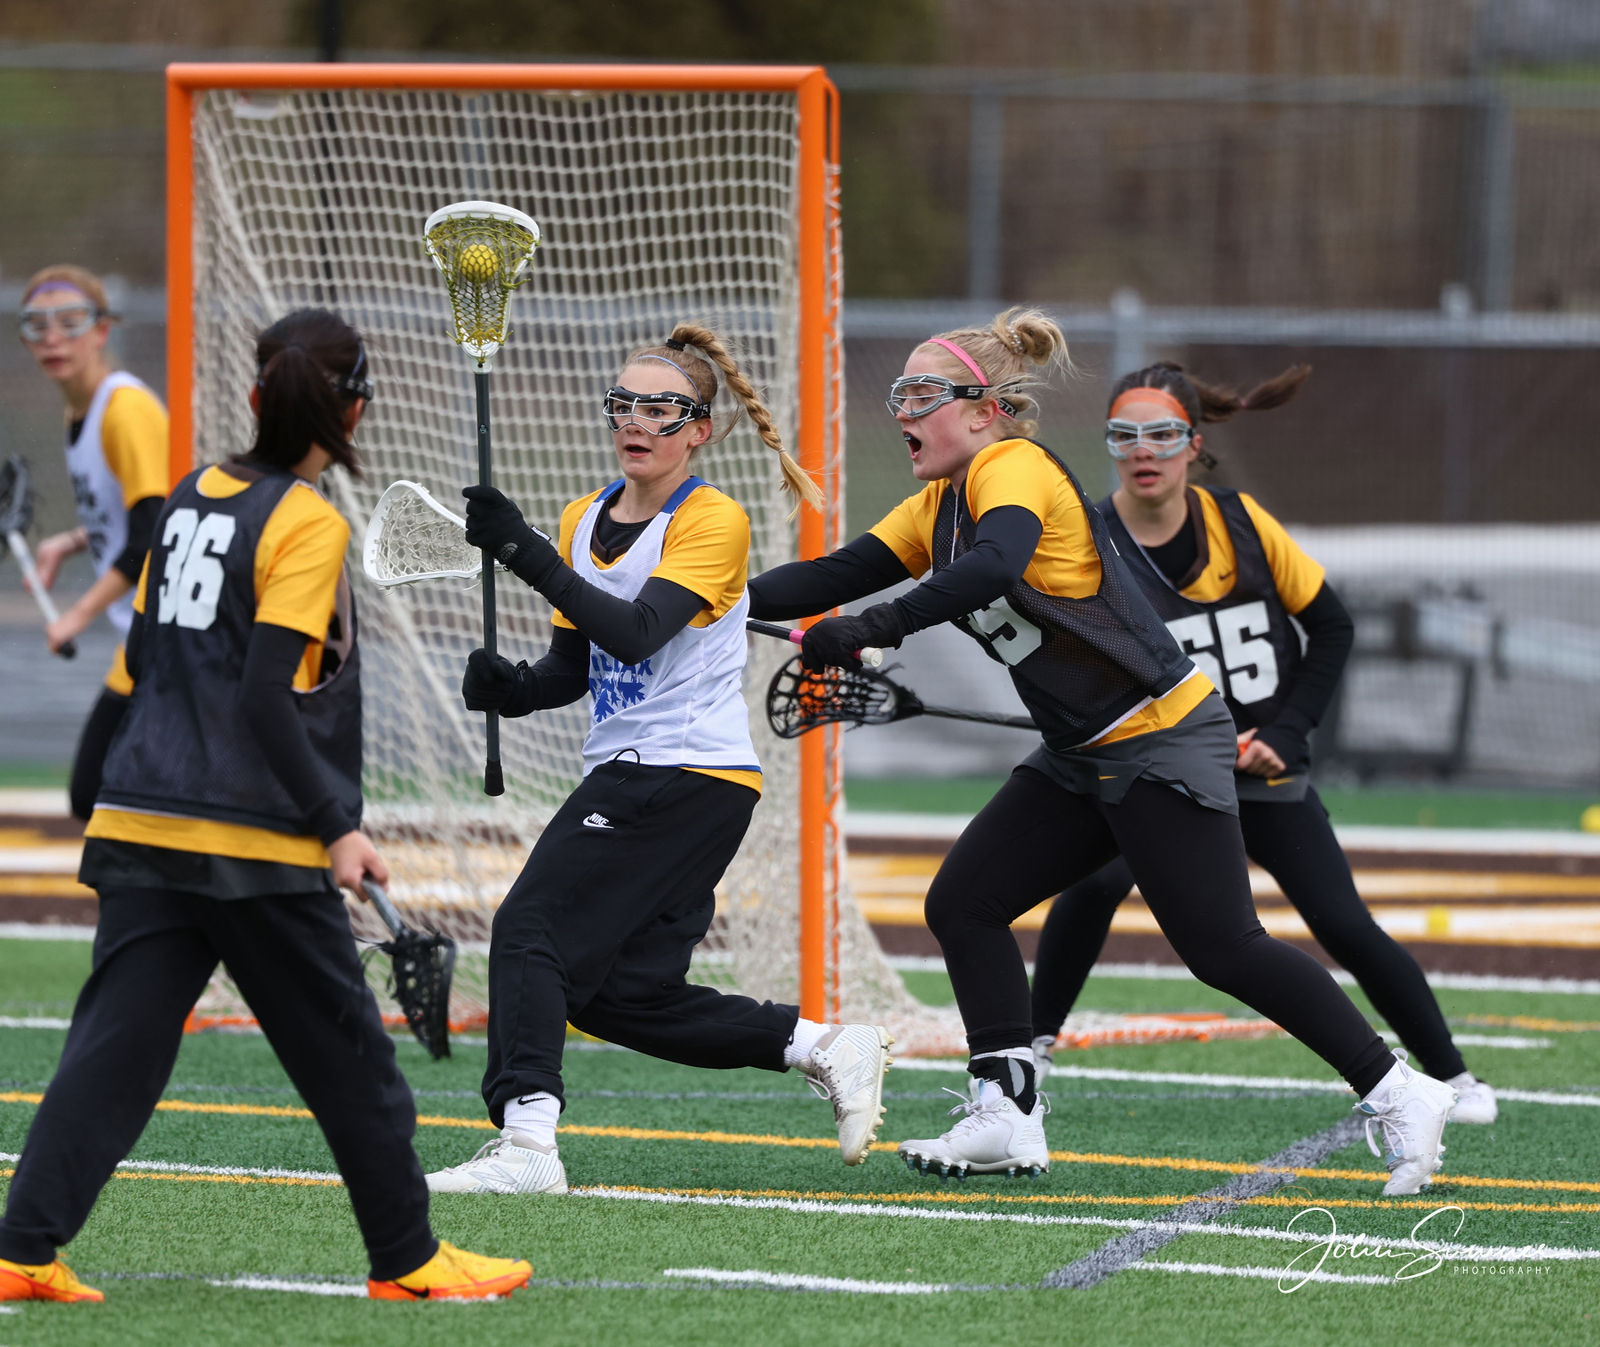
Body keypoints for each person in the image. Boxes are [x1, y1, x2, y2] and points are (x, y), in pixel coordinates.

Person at [747, 309, 1456, 1194]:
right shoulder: (941, 501)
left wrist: (874, 626)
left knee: (1224, 948)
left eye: (923, 392)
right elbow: (833, 573)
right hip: (1084, 750)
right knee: (965, 900)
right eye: (900, 393)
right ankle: (1006, 1110)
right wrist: (708, 598)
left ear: (986, 408)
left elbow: (993, 569)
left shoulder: (1013, 467)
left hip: (1158, 735)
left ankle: (1401, 1092)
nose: (903, 409)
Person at [0, 309, 531, 1305]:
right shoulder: (309, 520)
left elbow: (146, 659)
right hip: (248, 838)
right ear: (356, 410)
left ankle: (21, 1250)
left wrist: (116, 775)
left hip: (143, 814)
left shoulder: (194, 491)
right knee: (352, 1061)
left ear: (253, 396)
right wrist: (336, 824)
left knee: (113, 1053)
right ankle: (408, 1262)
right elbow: (262, 697)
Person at [424, 324, 894, 1196]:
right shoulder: (580, 518)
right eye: (624, 404)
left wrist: (521, 551)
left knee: (529, 930)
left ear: (698, 428)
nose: (637, 421)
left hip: (678, 772)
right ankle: (826, 1045)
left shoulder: (712, 519)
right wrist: (511, 688)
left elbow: (639, 636)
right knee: (617, 993)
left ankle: (529, 1145)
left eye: (662, 407)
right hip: (657, 774)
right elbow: (577, 669)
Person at [1027, 361, 1496, 1124]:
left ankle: (1454, 1076)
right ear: (1108, 445)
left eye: (1162, 435)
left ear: (1193, 443)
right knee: (1094, 884)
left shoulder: (1241, 521)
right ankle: (1031, 1054)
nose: (1143, 451)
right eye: (1124, 436)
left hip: (1256, 768)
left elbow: (1334, 627)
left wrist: (1285, 730)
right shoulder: (1088, 538)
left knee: (1342, 921)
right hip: (1155, 768)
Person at [16, 266, 170, 821]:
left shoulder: (123, 410)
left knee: (102, 794)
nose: (53, 338)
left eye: (70, 322)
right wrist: (73, 541)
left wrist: (76, 615)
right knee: (104, 796)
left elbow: (152, 534)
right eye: (37, 325)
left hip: (174, 638)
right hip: (145, 639)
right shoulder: (77, 410)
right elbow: (136, 509)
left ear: (102, 330)